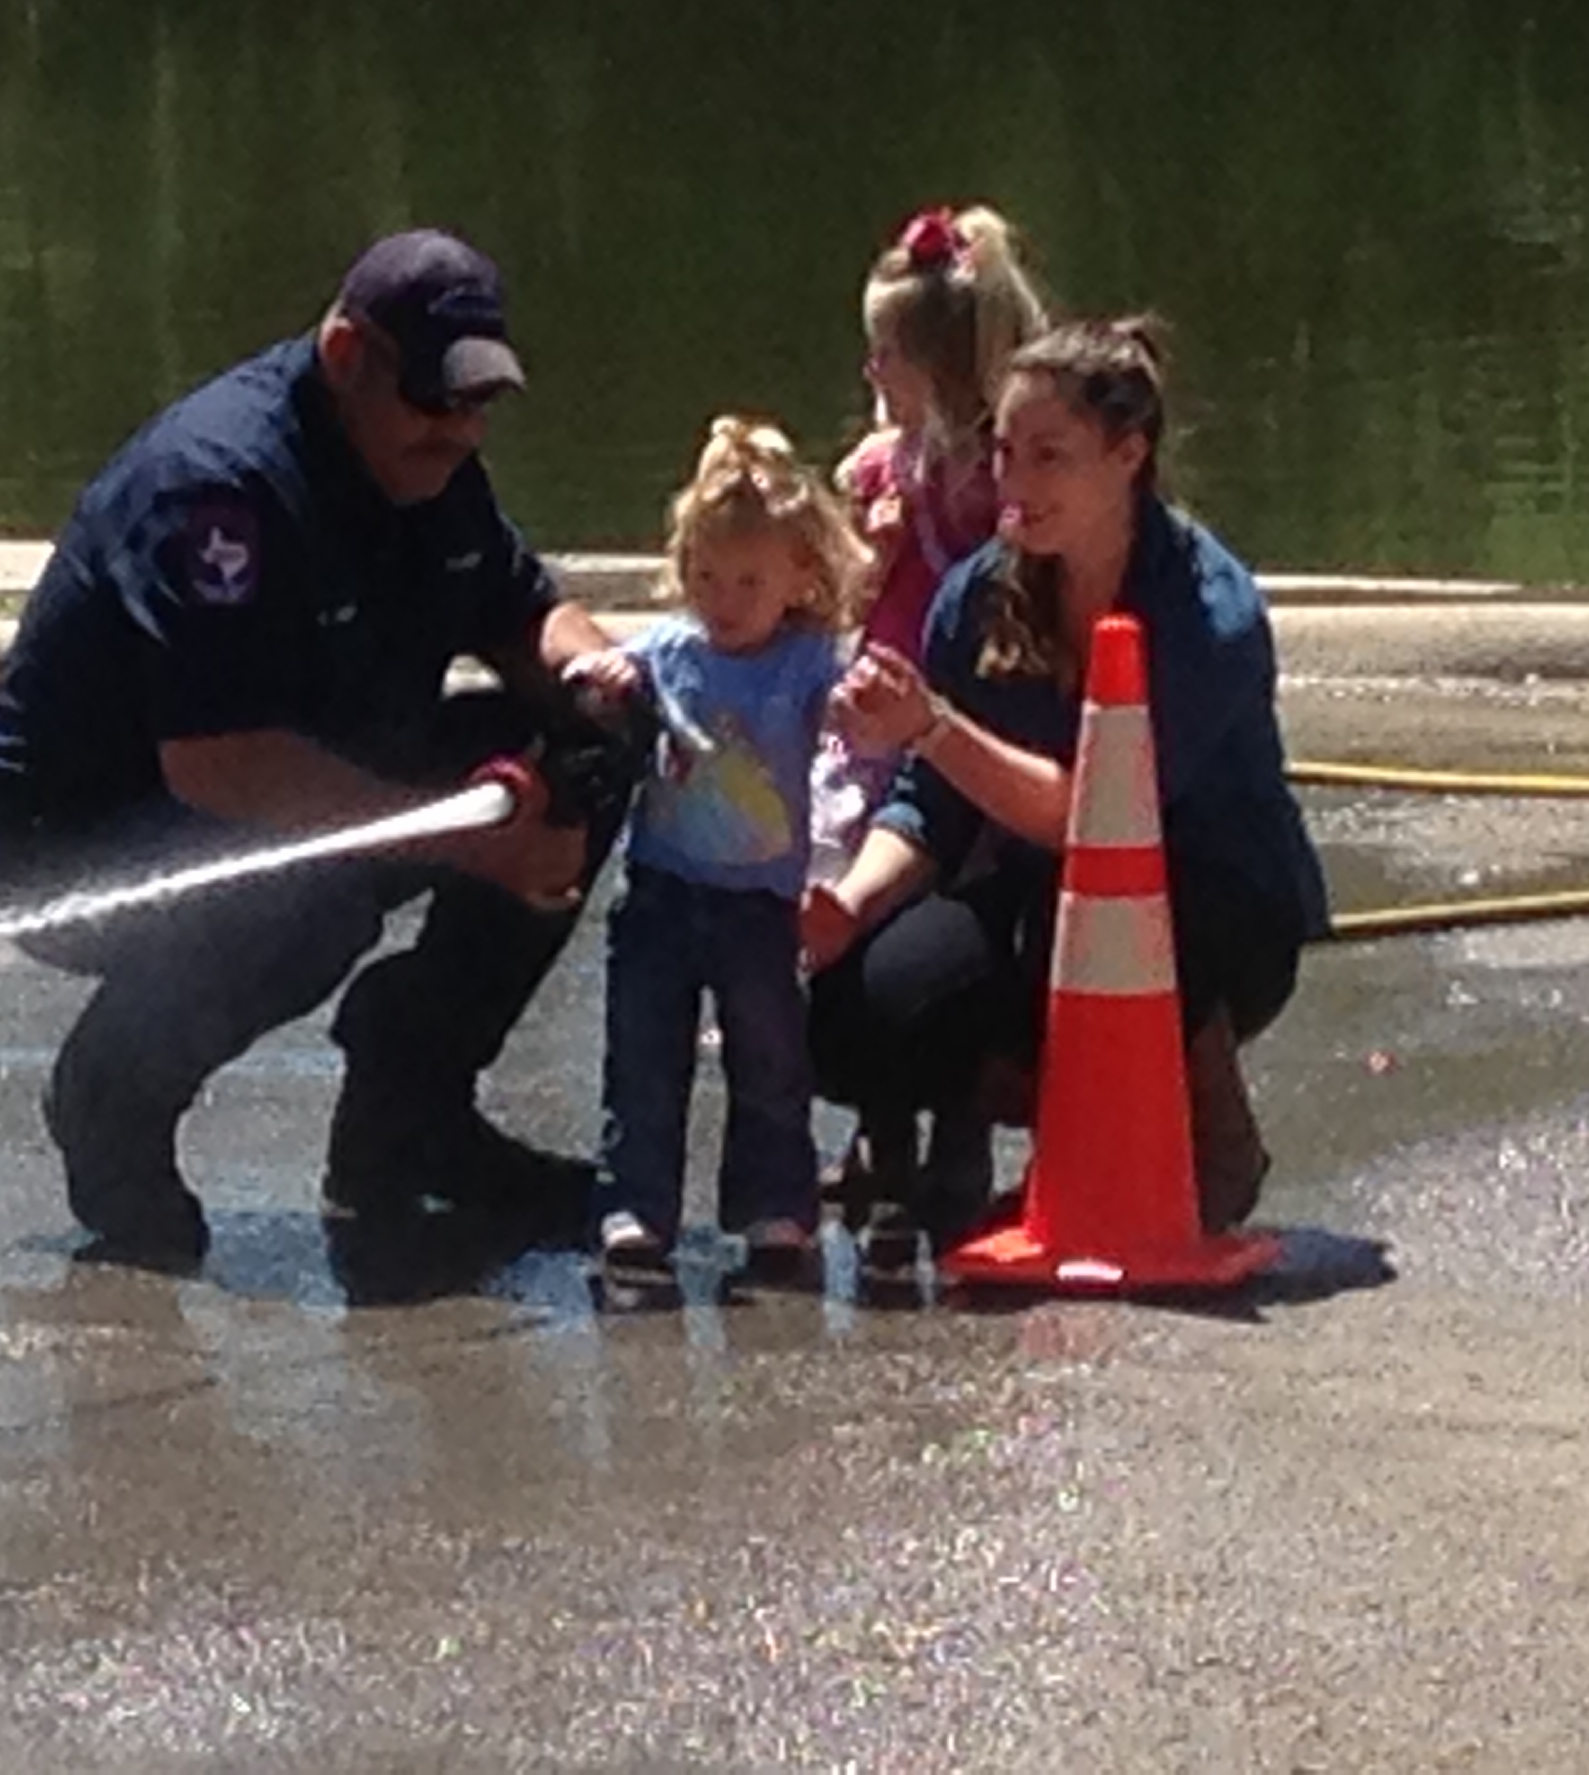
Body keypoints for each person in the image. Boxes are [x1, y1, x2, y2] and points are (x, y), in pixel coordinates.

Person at [0, 229, 629, 1267]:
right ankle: (113, 1098)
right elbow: (223, 765)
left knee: (585, 760)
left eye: (477, 405)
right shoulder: (218, 488)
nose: (460, 431)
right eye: (435, 401)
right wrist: (475, 843)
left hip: (294, 785)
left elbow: (522, 609)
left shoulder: (432, 465)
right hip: (80, 842)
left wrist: (601, 680)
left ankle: (408, 1124)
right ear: (349, 355)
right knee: (312, 902)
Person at [799, 317, 1330, 1237]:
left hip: (1214, 905)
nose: (1016, 482)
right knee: (850, 1017)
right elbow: (931, 803)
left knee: (1076, 919)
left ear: (1129, 455)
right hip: (1044, 890)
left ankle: (1199, 1142)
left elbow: (1099, 819)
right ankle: (1034, 1126)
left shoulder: (1208, 607)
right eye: (1006, 453)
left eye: (1050, 457)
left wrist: (931, 725)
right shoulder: (976, 595)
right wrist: (849, 903)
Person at [570, 418, 866, 1275]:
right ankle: (635, 1203)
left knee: (770, 1058)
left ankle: (775, 1203)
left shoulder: (808, 661)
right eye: (705, 576)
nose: (723, 599)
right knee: (643, 1056)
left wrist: (859, 708)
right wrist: (603, 683)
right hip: (662, 890)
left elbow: (848, 710)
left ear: (800, 577)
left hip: (760, 902)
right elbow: (607, 677)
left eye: (747, 582)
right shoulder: (668, 650)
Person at [810, 201, 1048, 1223]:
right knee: (854, 892)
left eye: (887, 355)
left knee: (947, 908)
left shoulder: (998, 483)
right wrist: (865, 547)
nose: (871, 372)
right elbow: (850, 600)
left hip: (957, 727)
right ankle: (878, 1126)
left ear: (944, 371)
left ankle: (956, 1127)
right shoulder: (886, 469)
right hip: (878, 724)